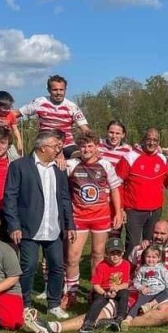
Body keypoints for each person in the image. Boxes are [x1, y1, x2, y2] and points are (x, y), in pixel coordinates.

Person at [3, 130, 76, 319]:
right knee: (28, 266)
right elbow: (10, 197)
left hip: (54, 228)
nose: (58, 150)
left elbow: (65, 198)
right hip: (28, 228)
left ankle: (53, 304)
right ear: (43, 147)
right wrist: (14, 225)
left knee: (57, 266)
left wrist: (70, 224)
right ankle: (25, 304)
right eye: (55, 146)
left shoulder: (59, 169)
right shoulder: (19, 166)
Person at [63, 132, 124, 309]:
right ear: (79, 148)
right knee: (72, 256)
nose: (87, 149)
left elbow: (114, 189)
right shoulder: (72, 164)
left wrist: (118, 212)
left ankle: (94, 290)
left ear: (97, 147)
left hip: (101, 217)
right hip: (79, 218)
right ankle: (72, 292)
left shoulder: (105, 165)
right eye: (83, 146)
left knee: (98, 254)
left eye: (90, 146)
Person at [116, 128, 168, 257]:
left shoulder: (162, 158)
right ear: (143, 140)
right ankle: (129, 272)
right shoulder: (130, 157)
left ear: (159, 142)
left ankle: (147, 273)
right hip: (134, 210)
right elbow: (117, 184)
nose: (152, 143)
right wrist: (120, 208)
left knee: (151, 244)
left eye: (155, 140)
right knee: (133, 244)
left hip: (155, 210)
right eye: (149, 139)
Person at [16, 75, 89, 159]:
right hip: (44, 143)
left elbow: (85, 129)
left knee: (81, 156)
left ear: (65, 90)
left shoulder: (72, 107)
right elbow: (17, 113)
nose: (58, 93)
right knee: (30, 163)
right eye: (55, 90)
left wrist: (95, 145)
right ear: (49, 90)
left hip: (66, 144)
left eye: (61, 90)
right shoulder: (39, 102)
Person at [78, 237, 131, 333]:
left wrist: (117, 288)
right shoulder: (102, 265)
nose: (115, 256)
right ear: (106, 253)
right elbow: (96, 285)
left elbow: (126, 284)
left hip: (117, 289)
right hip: (102, 290)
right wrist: (105, 294)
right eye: (112, 253)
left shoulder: (126, 264)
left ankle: (120, 319)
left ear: (123, 253)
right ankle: (88, 323)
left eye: (118, 253)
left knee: (125, 293)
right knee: (99, 301)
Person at [98, 120, 132, 239]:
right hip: (99, 196)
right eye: (111, 132)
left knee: (114, 233)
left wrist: (122, 207)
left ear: (123, 135)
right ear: (107, 132)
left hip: (116, 197)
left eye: (118, 133)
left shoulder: (128, 150)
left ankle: (112, 256)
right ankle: (99, 257)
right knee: (99, 234)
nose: (114, 136)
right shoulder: (98, 145)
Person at [127, 245, 168, 323]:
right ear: (145, 257)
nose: (151, 259)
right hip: (147, 293)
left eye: (154, 257)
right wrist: (141, 288)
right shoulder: (142, 269)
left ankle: (150, 305)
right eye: (148, 257)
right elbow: (136, 282)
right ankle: (127, 320)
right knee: (137, 305)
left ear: (158, 258)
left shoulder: (161, 268)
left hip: (159, 293)